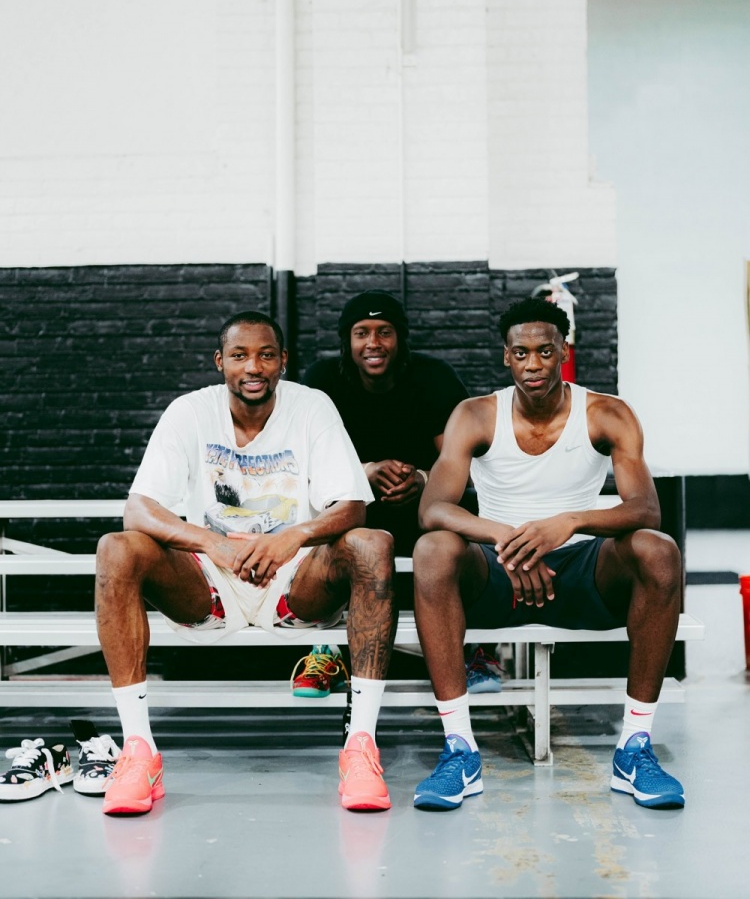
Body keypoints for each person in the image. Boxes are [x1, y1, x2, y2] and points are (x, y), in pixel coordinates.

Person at [95, 310, 397, 816]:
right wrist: (211, 544)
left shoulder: (311, 406)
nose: (253, 367)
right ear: (220, 362)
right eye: (239, 355)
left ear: (283, 361)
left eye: (266, 355)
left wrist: (291, 537)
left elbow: (352, 506)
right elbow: (138, 510)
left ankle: (360, 749)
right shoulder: (190, 412)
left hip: (295, 582)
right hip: (209, 581)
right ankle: (139, 752)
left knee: (373, 543)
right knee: (116, 547)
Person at [411, 297, 684, 811]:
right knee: (432, 550)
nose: (533, 364)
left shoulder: (607, 413)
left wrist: (569, 522)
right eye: (521, 353)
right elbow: (433, 509)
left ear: (564, 352)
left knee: (660, 551)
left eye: (544, 351)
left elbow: (646, 508)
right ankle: (460, 750)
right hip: (498, 572)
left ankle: (635, 747)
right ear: (506, 357)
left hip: (582, 570)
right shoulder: (475, 415)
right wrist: (507, 539)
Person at [298, 291, 496, 696]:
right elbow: (303, 463)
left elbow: (470, 466)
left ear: (400, 338)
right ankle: (326, 652)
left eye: (384, 332)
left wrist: (423, 480)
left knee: (468, 518)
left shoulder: (434, 378)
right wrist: (364, 473)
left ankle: (476, 651)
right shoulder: (322, 381)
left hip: (425, 512)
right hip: (356, 512)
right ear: (347, 340)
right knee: (319, 513)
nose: (373, 343)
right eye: (362, 333)